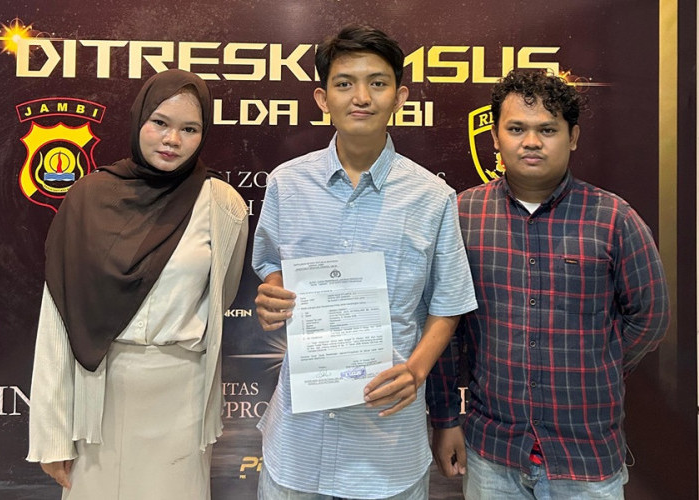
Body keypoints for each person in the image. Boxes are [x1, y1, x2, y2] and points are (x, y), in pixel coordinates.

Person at [252, 24, 477, 500]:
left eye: (377, 83)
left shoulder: (432, 197)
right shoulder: (286, 184)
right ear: (322, 98)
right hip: (298, 443)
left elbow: (448, 303)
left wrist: (416, 370)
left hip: (387, 447)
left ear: (400, 97)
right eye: (344, 83)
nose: (361, 97)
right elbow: (269, 264)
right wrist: (272, 293)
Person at [427, 69, 670, 499]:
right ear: (495, 137)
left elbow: (650, 317)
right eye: (516, 128)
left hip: (586, 455)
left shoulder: (613, 218)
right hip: (493, 452)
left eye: (547, 130)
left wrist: (599, 362)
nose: (531, 142)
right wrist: (446, 419)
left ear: (572, 137)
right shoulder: (463, 216)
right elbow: (446, 328)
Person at [27, 69, 249, 499]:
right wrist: (52, 434)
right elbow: (58, 320)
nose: (172, 140)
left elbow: (221, 297)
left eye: (189, 129)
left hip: (182, 399)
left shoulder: (222, 205)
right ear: (138, 120)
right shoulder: (87, 198)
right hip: (99, 397)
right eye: (160, 123)